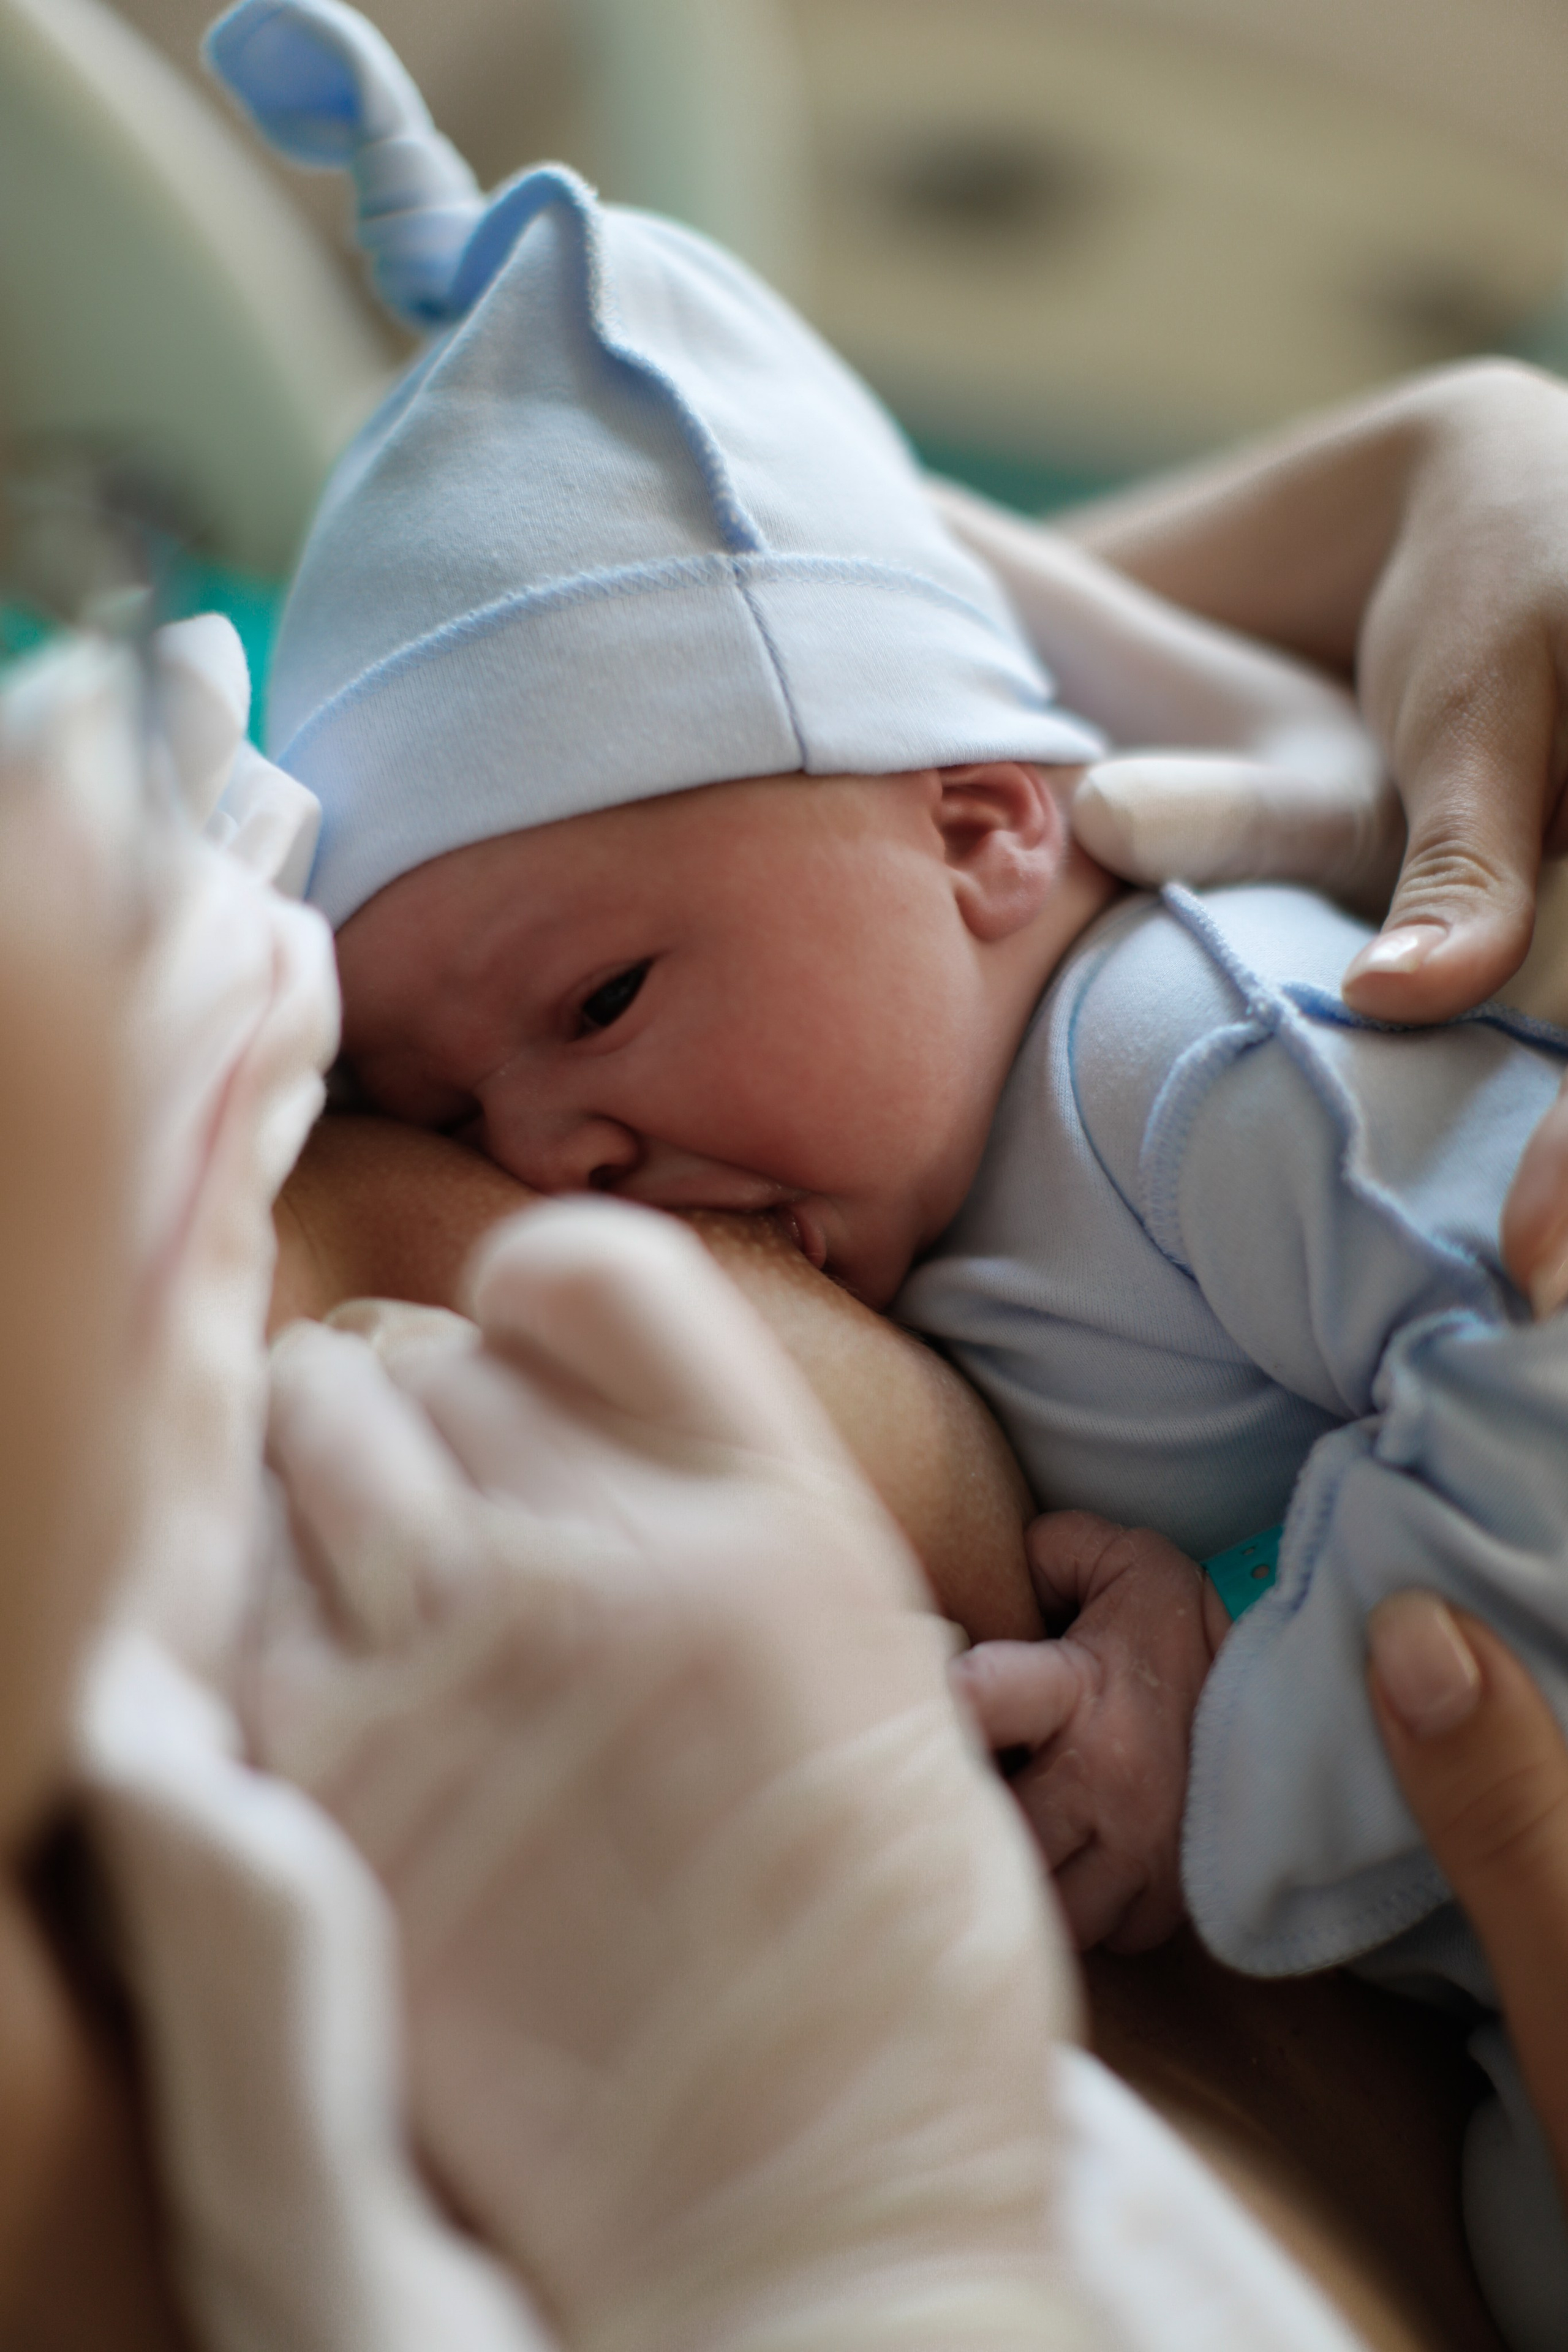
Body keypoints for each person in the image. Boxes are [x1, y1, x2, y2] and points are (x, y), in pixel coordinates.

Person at [203, 6, 1568, 2338]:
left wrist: (1223, 1760)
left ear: (985, 820)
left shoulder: (1212, 1051)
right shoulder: (921, 1161)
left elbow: (1542, 1407)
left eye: (606, 1001)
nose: (553, 1154)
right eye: (452, 1108)